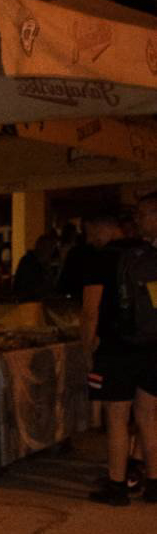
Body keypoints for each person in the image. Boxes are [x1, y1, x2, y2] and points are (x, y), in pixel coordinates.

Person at [80, 202, 157, 505]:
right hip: (152, 346)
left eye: (89, 232)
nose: (89, 239)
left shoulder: (100, 259)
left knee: (117, 418)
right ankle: (154, 484)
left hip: (116, 349)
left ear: (101, 227)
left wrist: (87, 350)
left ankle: (117, 485)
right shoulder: (149, 253)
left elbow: (90, 311)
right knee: (149, 417)